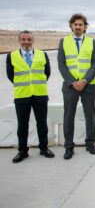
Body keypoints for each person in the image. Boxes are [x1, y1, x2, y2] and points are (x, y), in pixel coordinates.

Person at [6, 30, 55, 163]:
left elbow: (47, 73)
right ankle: (22, 151)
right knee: (22, 125)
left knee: (42, 124)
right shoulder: (12, 56)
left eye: (29, 39)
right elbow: (11, 76)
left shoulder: (42, 55)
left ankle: (43, 148)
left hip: (40, 94)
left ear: (33, 41)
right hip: (22, 96)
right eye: (23, 39)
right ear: (19, 41)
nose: (26, 42)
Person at [57, 13, 95, 160]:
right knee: (68, 117)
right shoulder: (63, 42)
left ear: (85, 27)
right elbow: (61, 64)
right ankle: (69, 146)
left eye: (81, 24)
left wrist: (85, 81)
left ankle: (90, 143)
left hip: (88, 86)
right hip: (70, 87)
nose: (78, 27)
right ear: (71, 26)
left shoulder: (91, 42)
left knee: (90, 116)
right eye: (75, 24)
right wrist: (73, 82)